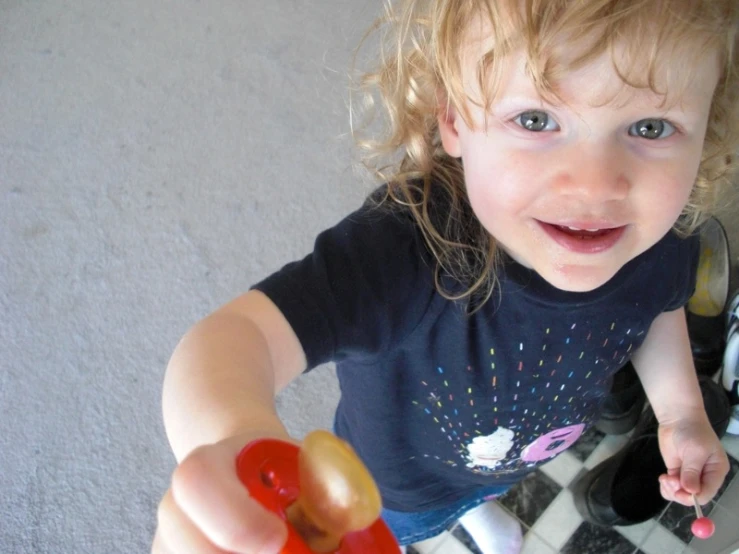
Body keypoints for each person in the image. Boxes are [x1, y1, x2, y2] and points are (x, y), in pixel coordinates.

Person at [152, 1, 739, 553]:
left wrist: (682, 413)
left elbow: (658, 308)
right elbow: (234, 338)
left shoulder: (664, 234)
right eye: (536, 119)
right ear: (454, 116)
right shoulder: (405, 248)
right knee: (413, 525)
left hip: (508, 461)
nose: (592, 185)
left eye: (652, 128)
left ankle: (474, 506)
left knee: (483, 487)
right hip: (400, 488)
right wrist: (237, 440)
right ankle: (446, 520)